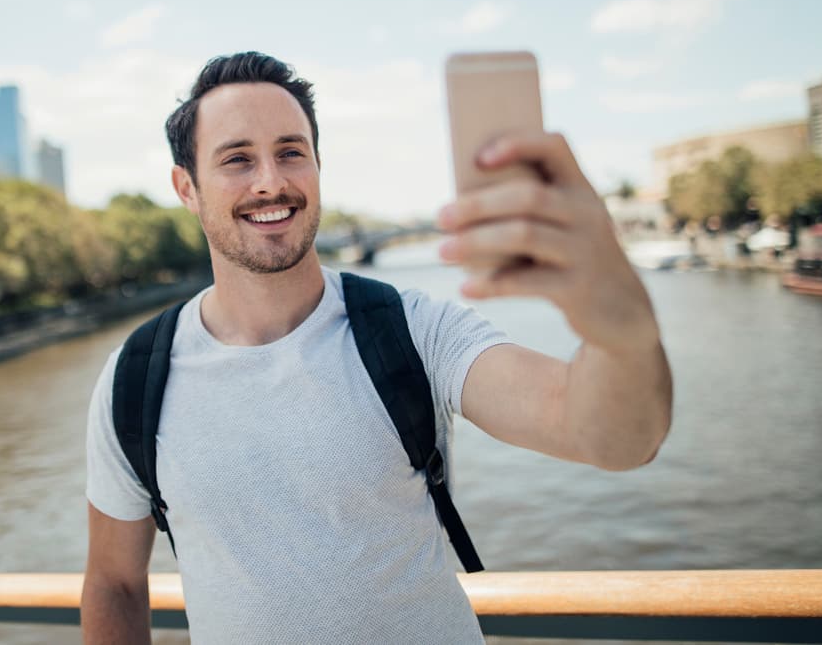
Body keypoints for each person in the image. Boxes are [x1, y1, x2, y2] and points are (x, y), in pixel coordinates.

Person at [82, 52, 672, 644]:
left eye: (291, 152)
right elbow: (115, 584)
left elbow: (614, 439)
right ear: (187, 187)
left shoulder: (409, 330)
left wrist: (621, 328)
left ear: (318, 166)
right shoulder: (134, 381)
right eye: (237, 159)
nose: (271, 180)